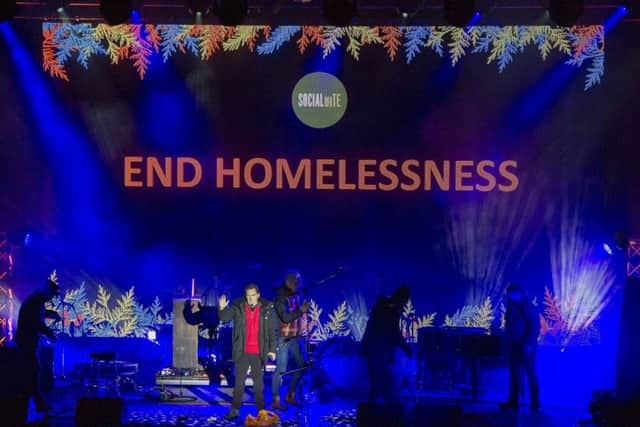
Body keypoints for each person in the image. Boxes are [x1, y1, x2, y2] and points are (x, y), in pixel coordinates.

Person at [218, 284, 276, 420]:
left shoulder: (266, 310)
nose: (250, 298)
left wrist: (272, 349)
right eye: (248, 295)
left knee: (259, 384)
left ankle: (261, 411)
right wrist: (221, 308)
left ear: (258, 295)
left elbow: (271, 331)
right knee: (239, 383)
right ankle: (234, 411)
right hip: (242, 351)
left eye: (253, 295)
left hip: (258, 352)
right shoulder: (239, 308)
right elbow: (225, 317)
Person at [14, 276, 61, 412]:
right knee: (32, 372)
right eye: (51, 294)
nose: (51, 298)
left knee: (31, 372)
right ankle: (36, 404)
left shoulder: (36, 301)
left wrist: (50, 313)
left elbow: (38, 314)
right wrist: (49, 333)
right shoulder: (34, 302)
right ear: (46, 291)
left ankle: (33, 404)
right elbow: (35, 321)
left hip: (28, 342)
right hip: (25, 342)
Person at [360, 285, 412, 404]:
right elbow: (393, 333)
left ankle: (373, 415)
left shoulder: (384, 307)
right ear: (401, 299)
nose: (405, 305)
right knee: (384, 383)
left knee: (378, 385)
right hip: (377, 351)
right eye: (405, 301)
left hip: (375, 351)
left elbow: (390, 333)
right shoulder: (389, 311)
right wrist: (406, 348)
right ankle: (389, 415)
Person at [271, 270, 309, 410]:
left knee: (301, 366)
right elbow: (286, 318)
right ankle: (275, 400)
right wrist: (301, 310)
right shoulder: (281, 298)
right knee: (281, 369)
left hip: (293, 337)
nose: (298, 285)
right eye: (295, 283)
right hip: (283, 338)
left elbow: (295, 319)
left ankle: (290, 395)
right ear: (289, 282)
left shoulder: (293, 296)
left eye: (298, 283)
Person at [500, 283, 540, 411]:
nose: (511, 295)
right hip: (514, 344)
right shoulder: (511, 307)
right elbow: (509, 327)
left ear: (520, 293)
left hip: (526, 345)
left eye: (513, 292)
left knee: (530, 373)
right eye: (510, 293)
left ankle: (535, 403)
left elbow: (534, 326)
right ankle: (513, 401)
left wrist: (529, 343)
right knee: (514, 374)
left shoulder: (527, 306)